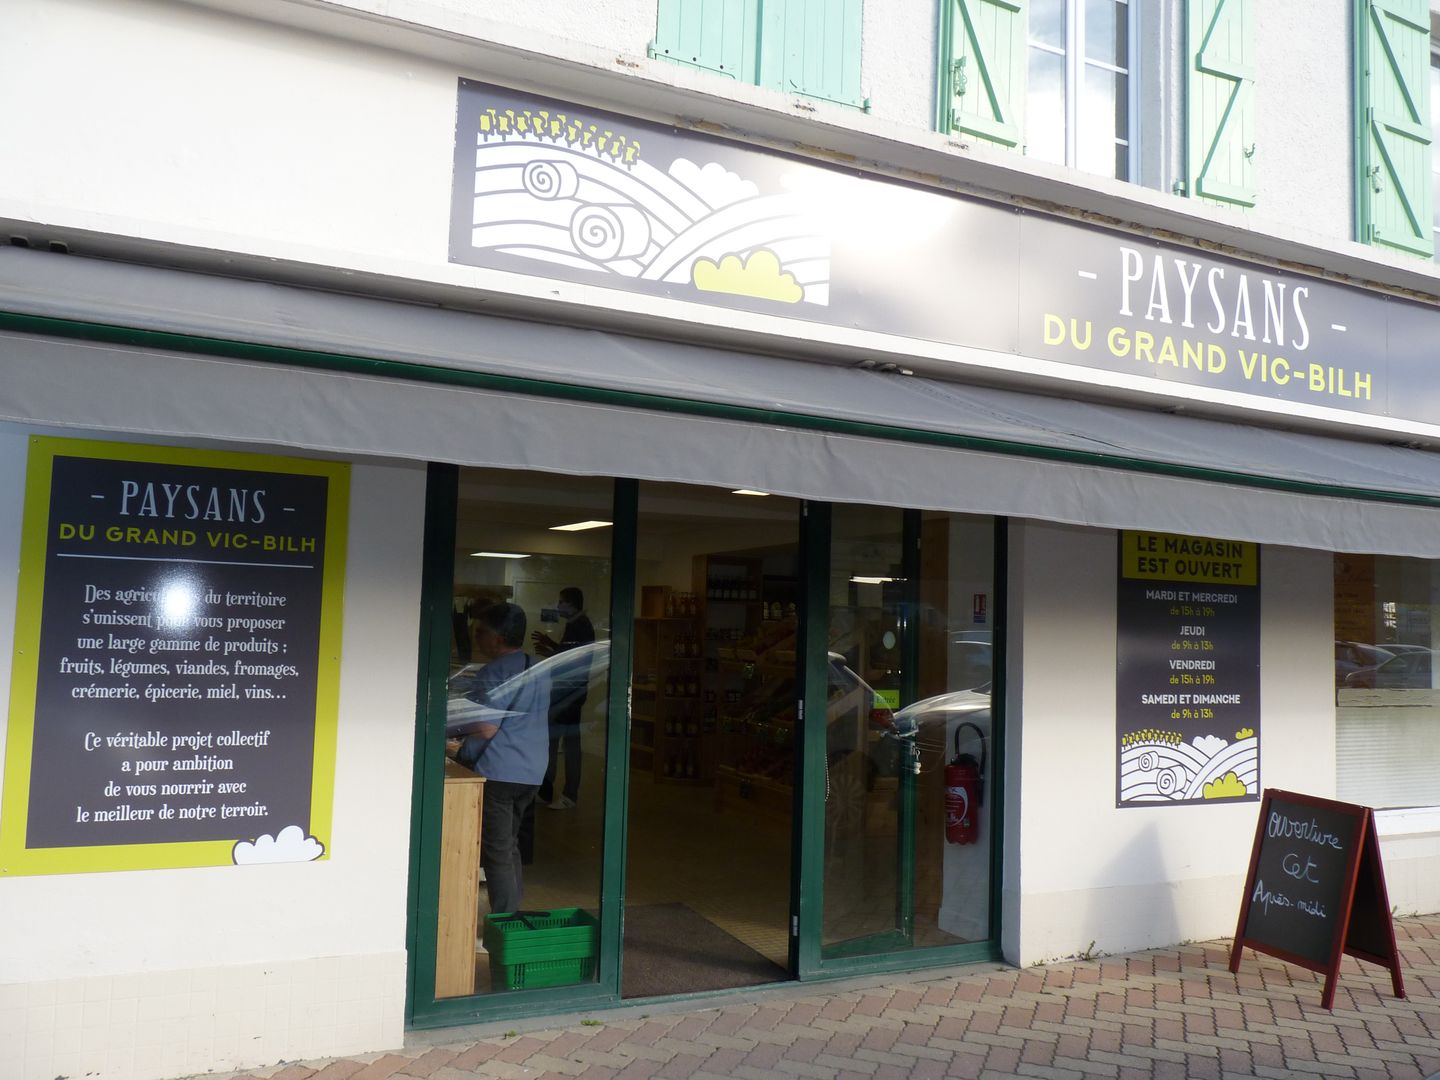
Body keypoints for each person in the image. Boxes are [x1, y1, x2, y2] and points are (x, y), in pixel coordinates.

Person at [455, 602, 549, 915]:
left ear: (497, 638)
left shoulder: (493, 672)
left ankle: (504, 920)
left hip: (500, 770)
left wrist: (452, 731)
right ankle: (512, 914)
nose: (476, 638)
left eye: (480, 632)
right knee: (510, 845)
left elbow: (485, 728)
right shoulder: (538, 666)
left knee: (496, 850)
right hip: (532, 769)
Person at [531, 587, 596, 809]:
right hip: (565, 692)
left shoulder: (580, 626)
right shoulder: (575, 625)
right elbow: (568, 653)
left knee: (569, 745)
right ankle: (547, 790)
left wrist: (549, 652)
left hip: (570, 694)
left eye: (562, 602)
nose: (558, 607)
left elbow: (573, 660)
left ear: (572, 604)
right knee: (554, 742)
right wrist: (550, 644)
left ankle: (569, 795)